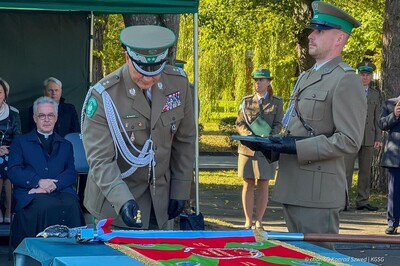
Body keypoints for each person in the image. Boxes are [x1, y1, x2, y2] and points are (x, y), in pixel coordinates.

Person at [240, 1, 366, 248]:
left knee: (318, 259)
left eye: (319, 31)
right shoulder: (308, 75)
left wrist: (296, 148)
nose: (311, 35)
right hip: (294, 187)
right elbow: (298, 127)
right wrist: (274, 147)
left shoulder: (345, 80)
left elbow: (350, 140)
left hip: (317, 195)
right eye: (313, 30)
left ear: (339, 38)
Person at [81, 25, 195, 230]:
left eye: (155, 72)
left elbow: (185, 140)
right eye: (141, 71)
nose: (148, 78)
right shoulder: (104, 96)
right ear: (127, 58)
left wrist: (180, 188)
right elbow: (100, 160)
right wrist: (122, 199)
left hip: (161, 201)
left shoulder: (178, 83)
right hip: (114, 205)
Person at [8, 96, 85, 249]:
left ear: (56, 118)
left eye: (50, 115)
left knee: (72, 205)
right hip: (29, 192)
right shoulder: (20, 142)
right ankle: (39, 254)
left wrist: (52, 186)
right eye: (42, 115)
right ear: (35, 118)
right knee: (44, 205)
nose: (46, 119)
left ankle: (72, 255)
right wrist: (39, 182)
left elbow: (70, 172)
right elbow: (14, 171)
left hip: (60, 190)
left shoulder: (66, 144)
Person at [236, 68, 283, 230]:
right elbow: (240, 123)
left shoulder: (276, 102)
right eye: (256, 80)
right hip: (248, 148)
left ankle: (259, 221)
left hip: (267, 149)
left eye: (261, 80)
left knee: (264, 183)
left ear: (268, 82)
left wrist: (269, 137)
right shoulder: (246, 101)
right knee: (248, 183)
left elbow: (278, 124)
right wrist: (249, 136)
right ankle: (248, 220)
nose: (257, 83)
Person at [344, 61, 382, 211]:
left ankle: (363, 201)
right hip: (351, 136)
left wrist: (378, 137)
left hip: (368, 136)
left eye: (368, 75)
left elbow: (377, 117)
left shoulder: (375, 94)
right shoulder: (350, 92)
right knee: (346, 170)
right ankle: (343, 201)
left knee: (365, 170)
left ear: (371, 77)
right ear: (358, 75)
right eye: (362, 74)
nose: (364, 77)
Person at [0, 78, 21, 223]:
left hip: (9, 152)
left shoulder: (13, 113)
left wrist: (8, 149)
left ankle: (8, 210)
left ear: (5, 94)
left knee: (7, 164)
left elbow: (18, 137)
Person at [378, 95, 400, 235]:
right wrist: (395, 114)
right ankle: (392, 223)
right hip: (395, 156)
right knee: (394, 192)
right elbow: (382, 124)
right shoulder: (390, 103)